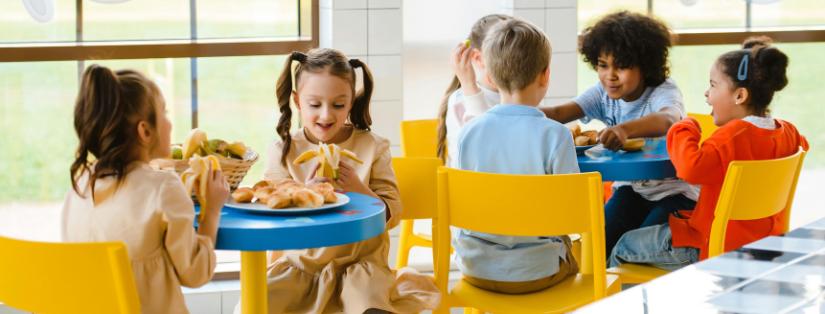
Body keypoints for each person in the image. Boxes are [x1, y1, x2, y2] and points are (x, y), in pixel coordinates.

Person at [257, 48, 440, 313]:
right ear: (298, 101)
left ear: (351, 102)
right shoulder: (282, 150)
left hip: (361, 268)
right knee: (256, 304)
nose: (326, 115)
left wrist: (360, 189)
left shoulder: (372, 147)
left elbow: (394, 213)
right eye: (315, 104)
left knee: (369, 305)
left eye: (338, 104)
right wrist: (302, 194)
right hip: (301, 267)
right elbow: (272, 216)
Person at [609, 36, 809, 269]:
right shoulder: (789, 132)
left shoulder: (731, 137)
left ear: (740, 96)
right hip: (763, 241)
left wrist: (684, 126)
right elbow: (802, 146)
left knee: (624, 245)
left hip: (711, 244)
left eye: (713, 85)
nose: (707, 93)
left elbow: (691, 168)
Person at [62, 65, 228, 313]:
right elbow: (195, 274)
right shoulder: (163, 188)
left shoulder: (80, 186)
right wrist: (211, 211)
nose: (170, 123)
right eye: (165, 113)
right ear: (145, 131)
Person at [454, 18, 579, 294]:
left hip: (476, 270)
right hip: (539, 272)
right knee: (579, 252)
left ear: (492, 77)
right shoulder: (556, 135)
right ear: (545, 75)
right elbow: (573, 217)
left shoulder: (468, 134)